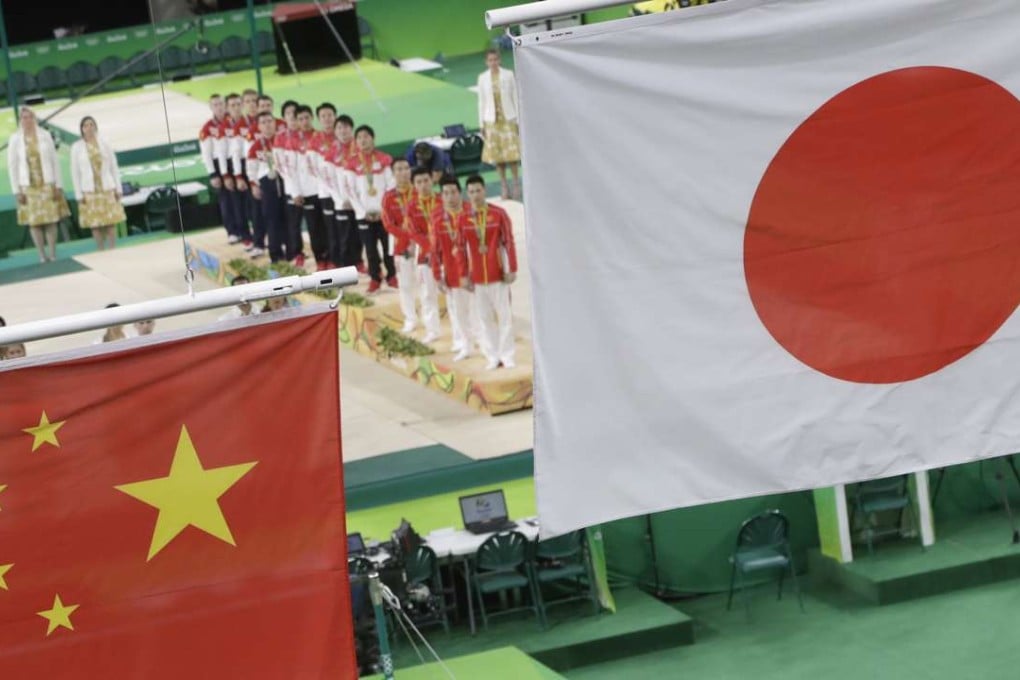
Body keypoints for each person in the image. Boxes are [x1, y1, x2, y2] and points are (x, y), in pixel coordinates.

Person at [459, 175, 517, 369]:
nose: (475, 195)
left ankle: (508, 355)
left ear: (484, 190)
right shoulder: (463, 218)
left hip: (497, 273)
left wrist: (512, 268)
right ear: (467, 194)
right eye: (472, 191)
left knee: (505, 316)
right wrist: (463, 275)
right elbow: (460, 248)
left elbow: (509, 242)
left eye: (478, 190)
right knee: (485, 319)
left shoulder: (499, 214)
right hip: (477, 278)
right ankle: (492, 356)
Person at [8, 106, 70, 263]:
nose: (27, 120)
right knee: (34, 223)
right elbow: (13, 166)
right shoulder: (15, 139)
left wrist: (58, 185)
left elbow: (54, 161)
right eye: (24, 117)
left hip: (46, 184)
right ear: (20, 120)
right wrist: (17, 191)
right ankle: (42, 255)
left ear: (34, 118)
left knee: (50, 220)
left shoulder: (45, 135)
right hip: (28, 187)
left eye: (29, 117)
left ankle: (53, 253)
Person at [345, 124, 396, 294]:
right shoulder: (351, 163)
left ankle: (392, 275)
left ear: (373, 138)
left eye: (366, 136)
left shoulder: (384, 159)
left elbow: (391, 186)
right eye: (359, 137)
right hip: (363, 215)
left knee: (388, 246)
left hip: (384, 214)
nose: (363, 140)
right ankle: (375, 278)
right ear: (356, 141)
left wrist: (384, 210)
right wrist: (362, 211)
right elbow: (350, 190)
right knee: (370, 249)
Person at [431, 175, 473, 360]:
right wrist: (437, 274)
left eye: (453, 192)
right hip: (451, 270)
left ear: (460, 192)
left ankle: (487, 345)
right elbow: (434, 249)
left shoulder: (472, 212)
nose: (450, 197)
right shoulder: (437, 218)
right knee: (459, 311)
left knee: (480, 310)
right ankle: (465, 344)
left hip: (475, 269)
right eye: (446, 193)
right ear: (441, 196)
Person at [70, 116, 126, 251]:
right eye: (86, 126)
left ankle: (112, 248)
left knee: (110, 221)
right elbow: (75, 173)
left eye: (91, 125)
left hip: (106, 187)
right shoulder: (77, 148)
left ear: (95, 127)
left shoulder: (104, 143)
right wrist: (79, 194)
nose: (89, 128)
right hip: (89, 190)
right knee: (95, 223)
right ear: (82, 129)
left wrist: (118, 188)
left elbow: (113, 166)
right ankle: (100, 248)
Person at [477, 48, 521, 200]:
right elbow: (481, 102)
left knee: (512, 156)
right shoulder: (482, 78)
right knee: (498, 157)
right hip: (492, 121)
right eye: (490, 60)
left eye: (495, 59)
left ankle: (516, 183)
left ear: (499, 60)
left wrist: (518, 120)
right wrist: (481, 124)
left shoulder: (508, 75)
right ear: (486, 62)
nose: (493, 63)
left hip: (508, 119)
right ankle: (503, 185)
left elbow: (515, 96)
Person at [199, 94, 240, 245]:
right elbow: (206, 153)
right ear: (211, 107)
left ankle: (244, 228)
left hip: (235, 161)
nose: (219, 107)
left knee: (240, 198)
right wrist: (213, 173)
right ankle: (232, 231)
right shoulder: (207, 128)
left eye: (221, 103)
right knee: (226, 199)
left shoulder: (234, 120)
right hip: (219, 164)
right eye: (215, 104)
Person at [381, 158, 418, 330]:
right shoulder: (388, 197)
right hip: (399, 245)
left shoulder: (420, 192)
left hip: (422, 244)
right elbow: (388, 224)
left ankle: (430, 320)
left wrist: (415, 241)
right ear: (393, 173)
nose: (403, 172)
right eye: (399, 169)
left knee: (426, 282)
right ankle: (410, 318)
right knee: (405, 283)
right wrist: (407, 239)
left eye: (406, 168)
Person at [248, 112, 289, 262]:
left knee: (287, 216)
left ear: (275, 123)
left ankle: (291, 251)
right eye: (263, 122)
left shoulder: (284, 141)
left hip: (285, 181)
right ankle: (275, 254)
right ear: (259, 126)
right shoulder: (256, 146)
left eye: (270, 121)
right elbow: (251, 168)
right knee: (272, 219)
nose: (267, 124)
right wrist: (254, 185)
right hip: (267, 184)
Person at [406, 167, 441, 342]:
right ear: (414, 185)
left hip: (446, 252)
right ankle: (432, 330)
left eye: (426, 180)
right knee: (427, 294)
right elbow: (414, 232)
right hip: (424, 254)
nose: (423, 185)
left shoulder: (442, 200)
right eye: (419, 182)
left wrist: (437, 248)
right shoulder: (411, 207)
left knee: (454, 293)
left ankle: (465, 335)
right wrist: (430, 249)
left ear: (432, 180)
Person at [331, 114, 365, 273]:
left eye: (345, 127)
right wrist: (341, 198)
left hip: (358, 200)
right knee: (344, 234)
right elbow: (328, 178)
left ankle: (359, 262)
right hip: (341, 201)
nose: (342, 131)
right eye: (339, 128)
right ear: (335, 131)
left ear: (351, 129)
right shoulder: (331, 152)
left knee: (358, 233)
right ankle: (345, 267)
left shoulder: (360, 149)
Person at [309, 102, 338, 270]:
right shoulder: (315, 141)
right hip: (325, 191)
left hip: (344, 192)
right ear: (319, 120)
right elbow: (312, 167)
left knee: (348, 229)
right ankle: (332, 259)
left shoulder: (342, 135)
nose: (327, 119)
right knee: (330, 227)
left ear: (335, 116)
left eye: (330, 115)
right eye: (323, 116)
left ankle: (354, 260)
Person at [236, 89, 265, 257]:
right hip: (253, 170)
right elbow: (241, 153)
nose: (252, 105)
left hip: (271, 171)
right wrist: (242, 176)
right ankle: (258, 242)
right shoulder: (243, 127)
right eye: (248, 102)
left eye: (255, 101)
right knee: (255, 208)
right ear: (244, 105)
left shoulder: (269, 122)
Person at [225, 93, 254, 250]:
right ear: (228, 108)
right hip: (233, 165)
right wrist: (226, 174)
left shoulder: (249, 122)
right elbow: (224, 152)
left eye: (238, 104)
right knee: (237, 203)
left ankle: (257, 234)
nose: (236, 108)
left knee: (253, 202)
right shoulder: (224, 127)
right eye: (232, 105)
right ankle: (244, 234)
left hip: (249, 162)